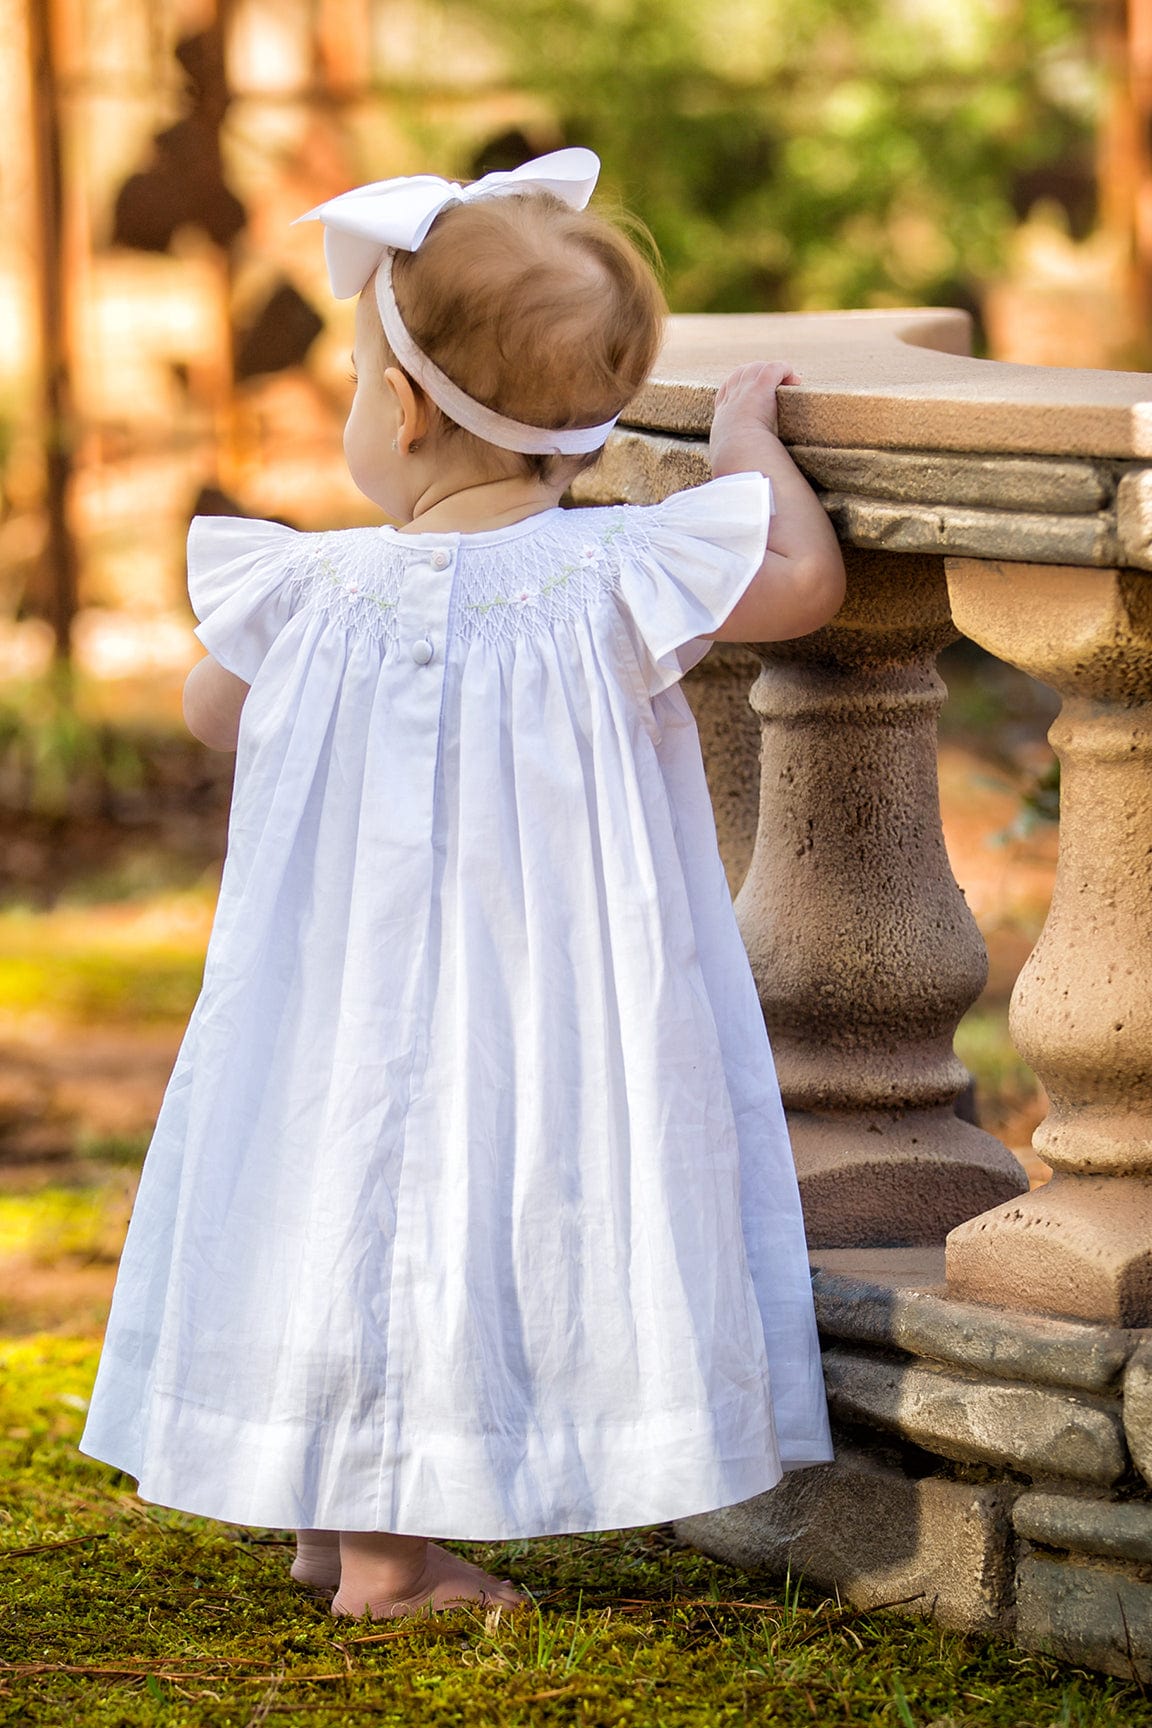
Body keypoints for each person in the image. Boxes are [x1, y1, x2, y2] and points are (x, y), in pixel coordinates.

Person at [81, 148, 844, 1620]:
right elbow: (803, 589)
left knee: (342, 1193)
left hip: (333, 1001)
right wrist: (750, 436)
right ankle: (370, 1534)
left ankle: (370, 1550)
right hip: (536, 988)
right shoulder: (615, 577)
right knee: (466, 1204)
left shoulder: (309, 590)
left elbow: (203, 710)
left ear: (405, 408)